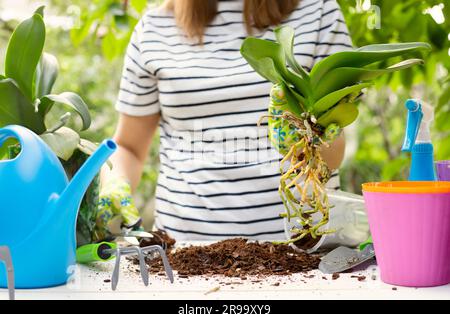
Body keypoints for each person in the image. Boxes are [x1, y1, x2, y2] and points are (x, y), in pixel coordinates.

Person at [94, 0, 352, 242]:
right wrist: (115, 183)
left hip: (307, 249)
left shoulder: (319, 12)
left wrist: (310, 140)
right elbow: (129, 147)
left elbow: (335, 146)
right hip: (184, 255)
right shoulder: (153, 30)